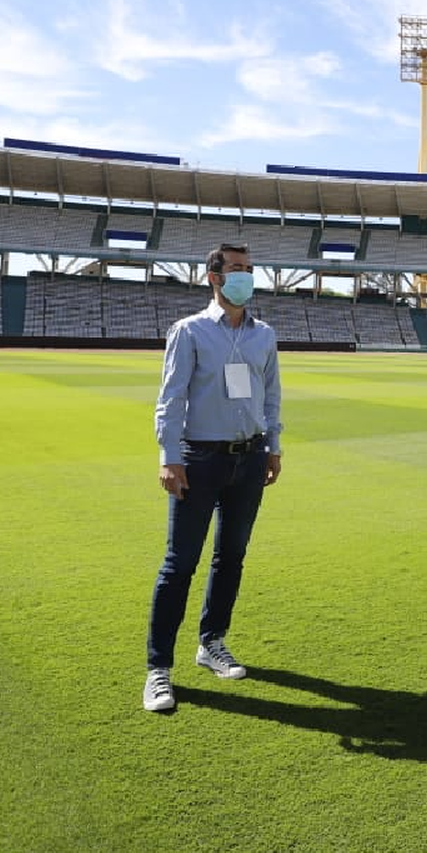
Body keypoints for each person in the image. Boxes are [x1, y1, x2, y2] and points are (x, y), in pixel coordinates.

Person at [144, 243, 283, 712]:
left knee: (231, 557)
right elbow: (171, 398)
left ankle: (211, 643)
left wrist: (273, 446)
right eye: (236, 270)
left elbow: (271, 397)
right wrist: (169, 457)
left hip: (249, 457)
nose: (244, 276)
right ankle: (159, 669)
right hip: (198, 458)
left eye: (249, 269)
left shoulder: (264, 335)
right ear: (214, 278)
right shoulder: (190, 331)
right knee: (179, 563)